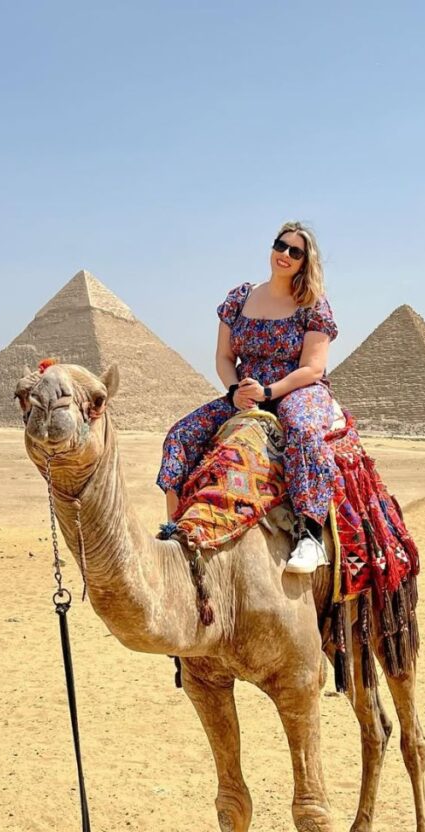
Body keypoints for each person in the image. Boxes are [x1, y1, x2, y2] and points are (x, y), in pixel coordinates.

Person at [157, 220, 340, 574]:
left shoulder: (312, 304)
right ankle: (176, 531)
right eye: (280, 245)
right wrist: (235, 391)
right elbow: (224, 357)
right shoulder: (239, 298)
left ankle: (311, 535)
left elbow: (312, 368)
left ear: (305, 262)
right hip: (244, 391)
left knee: (302, 429)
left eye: (295, 252)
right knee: (181, 435)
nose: (285, 254)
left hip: (297, 388)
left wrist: (268, 391)